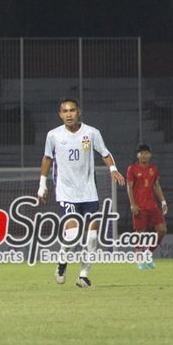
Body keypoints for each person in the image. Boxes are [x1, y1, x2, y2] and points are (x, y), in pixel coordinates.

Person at [37, 98, 125, 288]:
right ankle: (62, 261)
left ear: (79, 112)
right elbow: (47, 158)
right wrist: (42, 186)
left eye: (72, 110)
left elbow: (105, 153)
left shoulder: (92, 133)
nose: (69, 114)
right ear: (60, 114)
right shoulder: (53, 135)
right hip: (66, 192)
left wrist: (113, 169)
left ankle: (83, 275)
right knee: (73, 233)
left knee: (92, 237)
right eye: (65, 111)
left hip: (89, 192)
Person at [126, 143, 168, 269]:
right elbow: (129, 187)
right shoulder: (132, 168)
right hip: (140, 206)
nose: (144, 155)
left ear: (150, 154)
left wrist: (163, 202)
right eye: (141, 153)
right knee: (140, 233)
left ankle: (148, 254)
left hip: (153, 206)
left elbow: (156, 186)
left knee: (162, 230)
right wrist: (133, 204)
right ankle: (139, 259)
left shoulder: (153, 169)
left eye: (146, 153)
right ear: (138, 155)